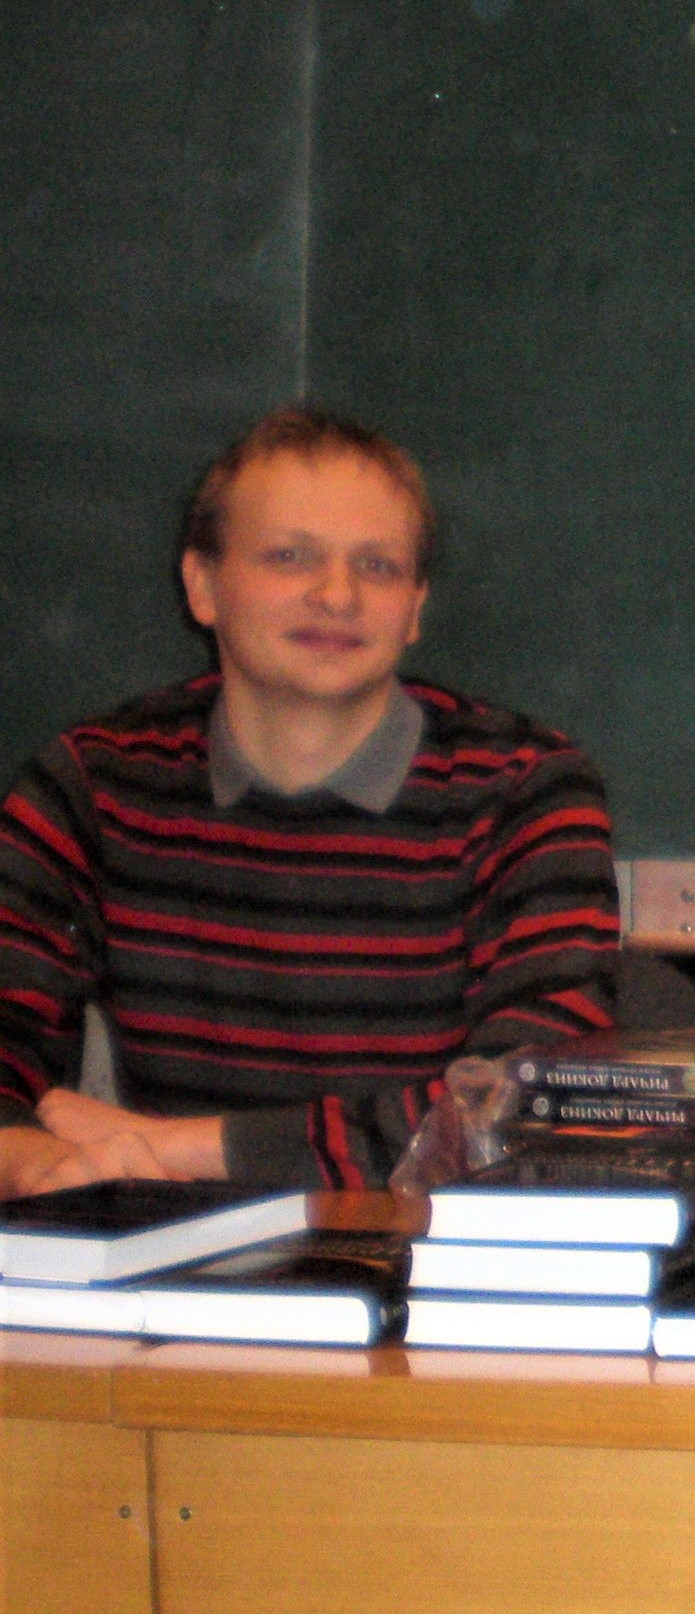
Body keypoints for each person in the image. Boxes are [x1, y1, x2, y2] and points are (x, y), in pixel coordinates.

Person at [0, 407, 618, 1199]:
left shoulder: (527, 790)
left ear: (416, 607)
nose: (336, 595)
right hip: (170, 1254)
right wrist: (42, 1162)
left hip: (426, 1255)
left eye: (378, 566)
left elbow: (521, 1107)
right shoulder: (94, 785)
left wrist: (178, 1145)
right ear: (202, 585)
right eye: (291, 556)